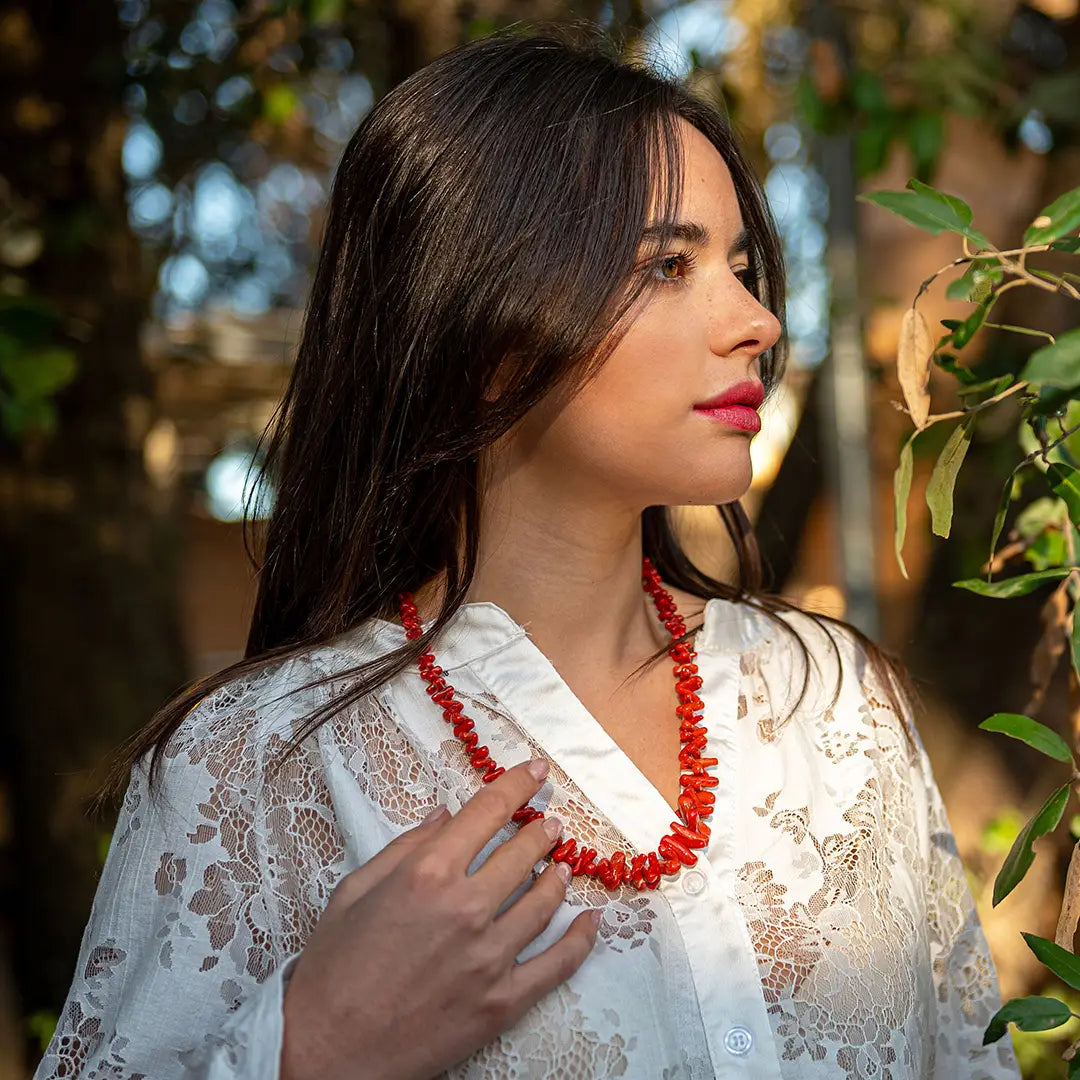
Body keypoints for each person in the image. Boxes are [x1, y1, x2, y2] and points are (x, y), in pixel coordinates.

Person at [35, 24, 1020, 1080]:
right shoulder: (255, 769)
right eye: (667, 264)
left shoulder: (838, 705)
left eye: (739, 265)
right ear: (482, 318)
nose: (758, 320)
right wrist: (308, 1049)